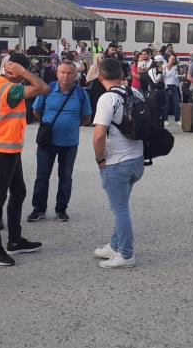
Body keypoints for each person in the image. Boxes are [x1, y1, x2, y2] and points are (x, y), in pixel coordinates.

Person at [0, 53, 50, 266]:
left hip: (4, 147)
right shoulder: (11, 89)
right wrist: (24, 72)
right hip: (3, 150)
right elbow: (44, 88)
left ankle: (15, 240)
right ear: (15, 70)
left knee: (18, 192)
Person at [91, 58, 145, 269]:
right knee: (122, 205)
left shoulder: (107, 99)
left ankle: (126, 254)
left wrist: (100, 159)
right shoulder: (136, 93)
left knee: (120, 209)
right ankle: (115, 245)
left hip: (116, 163)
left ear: (100, 76)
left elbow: (99, 135)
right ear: (122, 75)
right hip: (137, 160)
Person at [28, 62, 92, 223]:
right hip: (47, 142)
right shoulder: (46, 89)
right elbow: (36, 111)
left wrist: (69, 126)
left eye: (70, 73)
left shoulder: (81, 94)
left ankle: (61, 209)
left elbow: (86, 118)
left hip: (69, 143)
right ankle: (39, 209)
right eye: (62, 72)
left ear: (75, 76)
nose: (65, 76)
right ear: (57, 74)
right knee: (42, 176)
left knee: (66, 177)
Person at [163, 54, 181, 126]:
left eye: (174, 59)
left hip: (174, 86)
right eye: (171, 58)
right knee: (166, 104)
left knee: (176, 104)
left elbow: (179, 77)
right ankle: (165, 120)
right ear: (168, 59)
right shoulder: (163, 66)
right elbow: (161, 77)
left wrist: (180, 74)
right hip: (166, 86)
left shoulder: (176, 67)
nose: (172, 60)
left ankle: (177, 120)